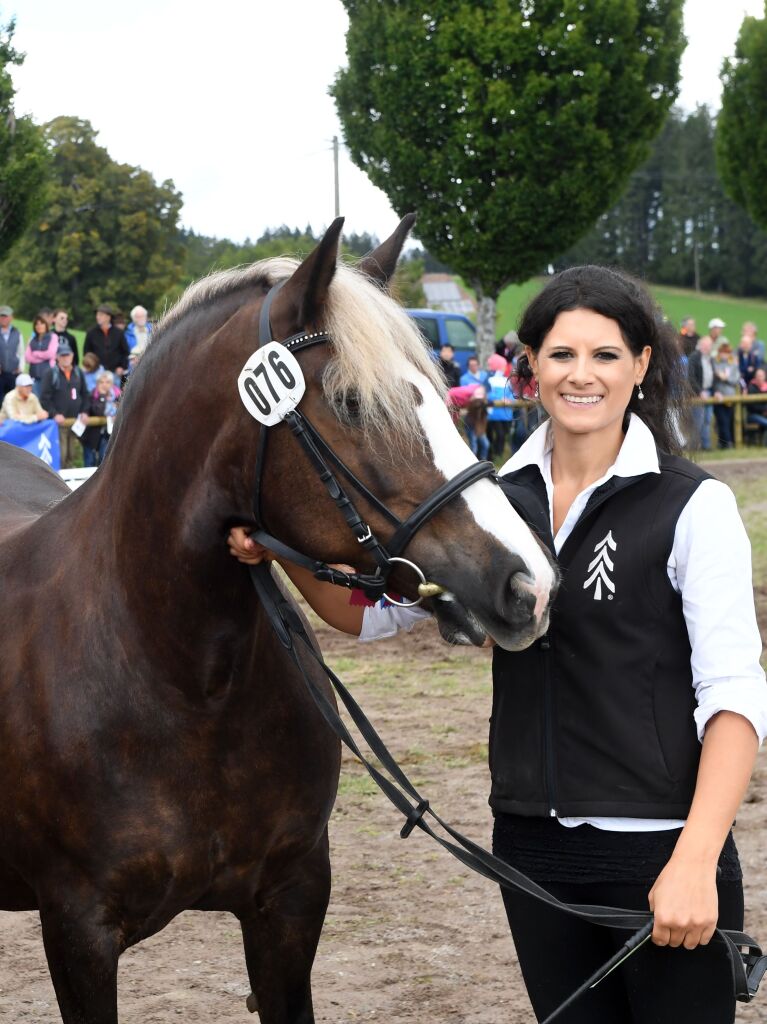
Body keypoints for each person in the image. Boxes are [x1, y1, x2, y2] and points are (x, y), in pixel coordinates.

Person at [229, 264, 766, 1024]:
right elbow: (368, 614)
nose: (581, 375)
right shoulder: (491, 505)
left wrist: (695, 861)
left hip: (660, 851)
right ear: (531, 365)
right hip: (530, 850)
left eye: (605, 355)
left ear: (640, 365)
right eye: (561, 355)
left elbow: (733, 699)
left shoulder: (691, 506)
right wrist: (275, 549)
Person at [40, 342, 88, 468]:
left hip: (75, 422)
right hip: (59, 424)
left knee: (72, 454)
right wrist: (54, 414)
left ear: (72, 356)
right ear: (57, 357)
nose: (65, 358)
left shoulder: (78, 372)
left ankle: (70, 484)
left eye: (68, 355)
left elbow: (85, 394)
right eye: (62, 355)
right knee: (61, 455)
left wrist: (84, 411)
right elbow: (44, 398)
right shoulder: (51, 374)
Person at [81, 370, 120, 467]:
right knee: (90, 461)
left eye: (107, 382)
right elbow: (98, 411)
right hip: (92, 435)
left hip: (108, 435)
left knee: (104, 459)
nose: (104, 385)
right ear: (97, 383)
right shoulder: (91, 395)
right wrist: (102, 396)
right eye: (101, 382)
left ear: (112, 383)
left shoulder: (118, 396)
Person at [83, 305, 129, 379]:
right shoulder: (91, 333)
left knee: (114, 391)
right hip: (95, 373)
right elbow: (87, 352)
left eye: (101, 315)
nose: (98, 317)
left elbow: (125, 352)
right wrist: (91, 367)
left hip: (115, 373)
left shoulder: (119, 333)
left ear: (108, 317)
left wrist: (122, 367)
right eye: (97, 314)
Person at [687, 335, 715, 451]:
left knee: (707, 420)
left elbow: (714, 376)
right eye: (708, 345)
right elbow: (691, 377)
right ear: (702, 345)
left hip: (709, 392)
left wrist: (716, 391)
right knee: (697, 421)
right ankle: (694, 447)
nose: (709, 348)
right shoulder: (694, 357)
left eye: (710, 346)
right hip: (697, 394)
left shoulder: (710, 359)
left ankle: (706, 446)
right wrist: (699, 392)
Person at [485, 353, 514, 458]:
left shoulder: (508, 379)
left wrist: (510, 399)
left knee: (503, 434)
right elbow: (485, 393)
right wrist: (499, 399)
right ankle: (495, 454)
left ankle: (498, 455)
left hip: (506, 413)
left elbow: (512, 393)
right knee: (497, 434)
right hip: (493, 413)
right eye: (502, 365)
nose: (504, 367)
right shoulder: (488, 378)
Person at [711, 342, 739, 449]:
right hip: (718, 396)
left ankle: (727, 443)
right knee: (722, 421)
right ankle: (727, 443)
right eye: (722, 353)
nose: (724, 355)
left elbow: (735, 380)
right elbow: (713, 378)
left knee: (730, 421)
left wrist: (726, 378)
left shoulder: (733, 364)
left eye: (727, 353)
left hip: (730, 397)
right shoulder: (714, 362)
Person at [25, 314, 59, 399]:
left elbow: (51, 354)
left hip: (47, 375)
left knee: (46, 400)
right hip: (34, 376)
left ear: (46, 325)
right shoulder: (32, 339)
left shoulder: (53, 337)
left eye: (41, 323)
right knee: (35, 399)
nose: (39, 326)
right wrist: (43, 358)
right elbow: (27, 357)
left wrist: (36, 354)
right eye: (37, 324)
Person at [0, 304, 24, 403]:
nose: (3, 318)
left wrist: (20, 368)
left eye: (6, 316)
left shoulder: (17, 333)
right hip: (0, 374)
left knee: (13, 400)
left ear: (11, 317)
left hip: (13, 373)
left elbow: (21, 353)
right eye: (1, 316)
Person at [463, 384, 490, 459]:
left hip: (479, 429)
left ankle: (483, 463)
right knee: (474, 447)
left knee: (485, 445)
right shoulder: (472, 403)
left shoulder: (485, 404)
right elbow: (474, 406)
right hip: (472, 427)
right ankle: (472, 464)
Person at [746, 367, 767, 438]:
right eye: (758, 376)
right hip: (753, 415)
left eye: (761, 376)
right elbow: (751, 406)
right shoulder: (751, 388)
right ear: (755, 377)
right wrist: (764, 410)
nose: (759, 378)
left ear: (764, 377)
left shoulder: (766, 387)